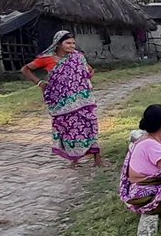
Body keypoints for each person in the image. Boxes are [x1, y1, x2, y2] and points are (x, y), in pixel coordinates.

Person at [21, 30, 102, 167]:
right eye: (68, 43)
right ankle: (74, 160)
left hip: (82, 101)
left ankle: (98, 160)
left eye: (73, 43)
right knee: (68, 128)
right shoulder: (47, 59)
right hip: (61, 102)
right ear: (58, 44)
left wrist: (84, 79)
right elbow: (25, 69)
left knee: (89, 125)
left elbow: (89, 70)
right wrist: (39, 83)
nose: (72, 46)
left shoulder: (78, 57)